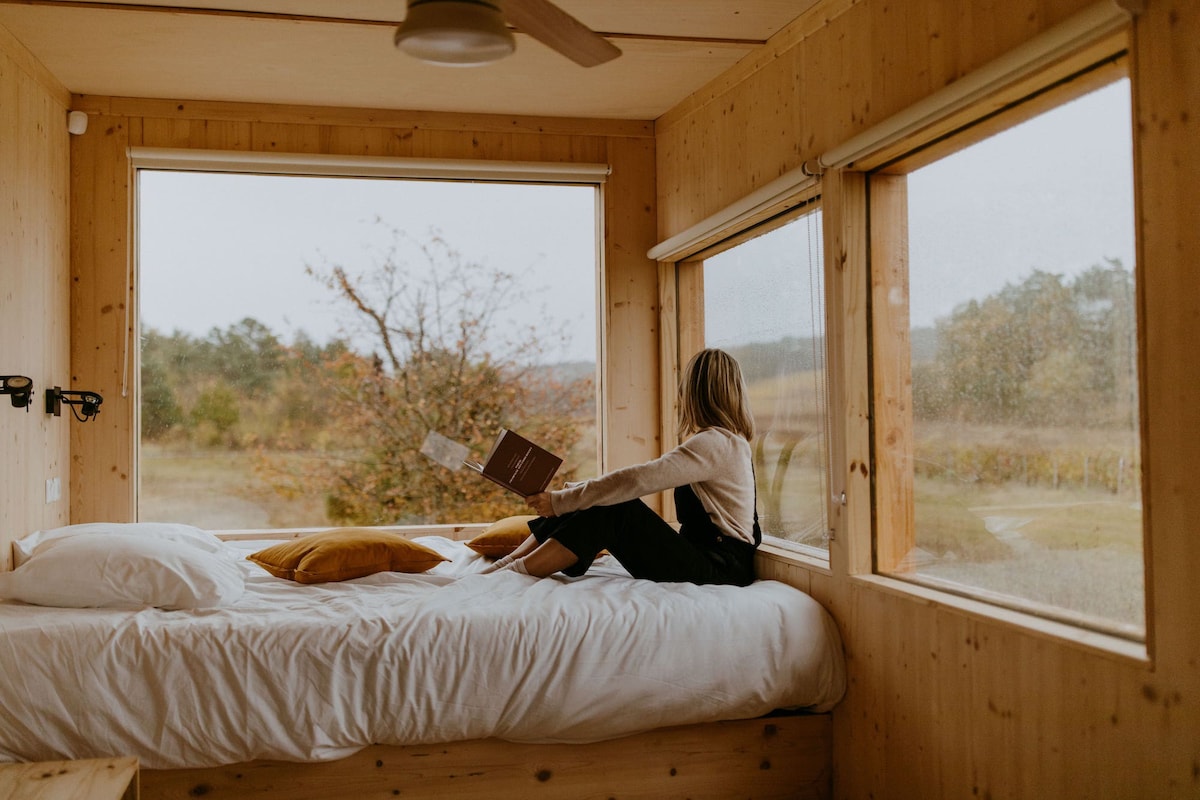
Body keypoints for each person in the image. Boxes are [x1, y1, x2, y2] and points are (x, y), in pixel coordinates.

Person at [483, 348, 761, 585]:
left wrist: (560, 501)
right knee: (600, 498)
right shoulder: (726, 443)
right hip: (710, 558)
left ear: (692, 392)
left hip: (720, 568)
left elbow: (636, 480)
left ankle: (513, 574)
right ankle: (507, 565)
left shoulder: (716, 443)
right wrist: (570, 498)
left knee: (617, 506)